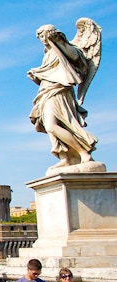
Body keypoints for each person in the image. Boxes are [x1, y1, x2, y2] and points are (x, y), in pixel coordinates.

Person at [28, 19, 102, 170]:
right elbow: (51, 72)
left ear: (50, 33)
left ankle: (83, 152)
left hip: (60, 91)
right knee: (49, 125)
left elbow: (75, 58)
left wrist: (59, 42)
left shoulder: (64, 47)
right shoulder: (47, 54)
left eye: (43, 35)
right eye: (40, 37)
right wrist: (37, 75)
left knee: (53, 125)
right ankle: (65, 156)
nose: (42, 39)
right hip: (47, 91)